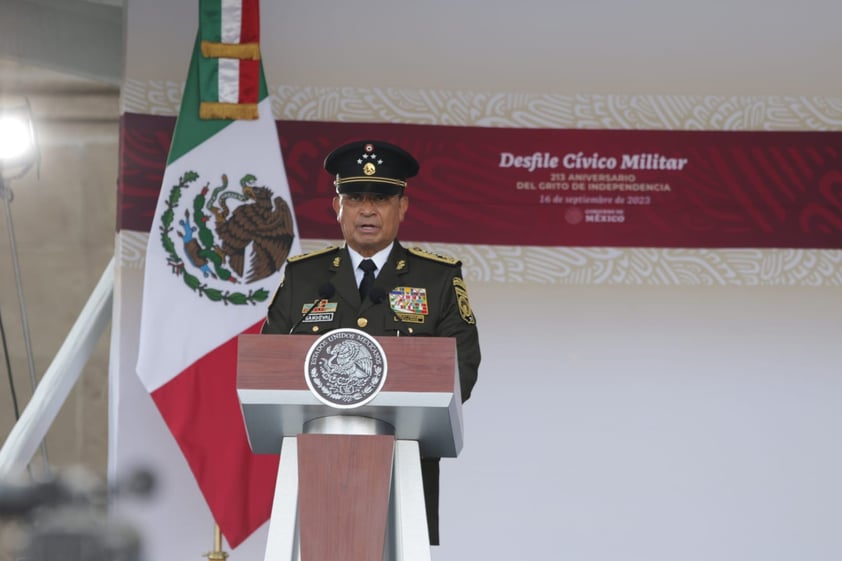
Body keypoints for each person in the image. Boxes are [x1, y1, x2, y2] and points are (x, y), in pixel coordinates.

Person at [261, 139, 480, 545]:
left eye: (380, 198)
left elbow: (462, 365)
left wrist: (401, 410)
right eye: (355, 197)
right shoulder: (303, 277)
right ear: (336, 206)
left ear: (403, 207)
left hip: (406, 460)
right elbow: (270, 362)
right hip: (314, 460)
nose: (366, 209)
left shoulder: (436, 279)